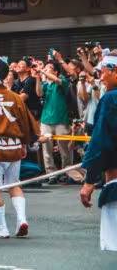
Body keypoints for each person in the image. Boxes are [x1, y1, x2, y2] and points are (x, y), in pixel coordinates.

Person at [0, 58, 38, 239]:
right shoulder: (16, 97)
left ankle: (2, 228)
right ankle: (22, 219)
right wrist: (24, 144)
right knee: (14, 184)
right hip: (15, 147)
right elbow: (26, 124)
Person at [79, 52, 117, 252]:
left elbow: (100, 142)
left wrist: (89, 180)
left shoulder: (111, 99)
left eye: (104, 72)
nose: (101, 77)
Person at [36, 59, 73, 180]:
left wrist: (42, 71)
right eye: (45, 67)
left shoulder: (62, 81)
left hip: (61, 120)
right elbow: (39, 93)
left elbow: (57, 80)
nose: (46, 69)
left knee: (65, 149)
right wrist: (37, 77)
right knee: (47, 150)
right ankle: (51, 174)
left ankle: (67, 173)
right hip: (46, 120)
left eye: (49, 67)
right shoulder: (46, 84)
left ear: (56, 72)